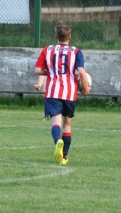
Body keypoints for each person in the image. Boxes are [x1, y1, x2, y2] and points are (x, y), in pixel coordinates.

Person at [35, 20, 91, 165]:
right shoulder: (76, 52)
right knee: (67, 124)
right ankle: (64, 156)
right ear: (70, 36)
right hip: (69, 94)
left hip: (53, 92)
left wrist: (52, 72)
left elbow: (38, 70)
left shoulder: (47, 50)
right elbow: (82, 72)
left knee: (55, 123)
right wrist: (85, 88)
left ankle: (57, 141)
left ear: (55, 36)